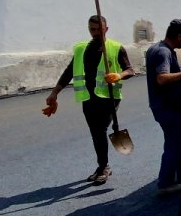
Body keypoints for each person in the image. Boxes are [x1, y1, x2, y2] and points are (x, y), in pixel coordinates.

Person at [43, 15, 135, 185]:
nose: (96, 33)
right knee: (95, 132)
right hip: (88, 97)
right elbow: (69, 72)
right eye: (92, 29)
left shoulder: (115, 47)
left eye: (99, 29)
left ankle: (103, 167)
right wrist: (55, 93)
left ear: (106, 29)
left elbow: (130, 70)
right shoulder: (81, 49)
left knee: (99, 129)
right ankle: (103, 165)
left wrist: (119, 75)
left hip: (108, 97)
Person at [146, 19, 181, 194]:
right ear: (178, 36)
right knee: (173, 144)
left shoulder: (158, 48)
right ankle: (166, 183)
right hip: (168, 106)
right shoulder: (163, 52)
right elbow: (162, 78)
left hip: (164, 105)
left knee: (177, 141)